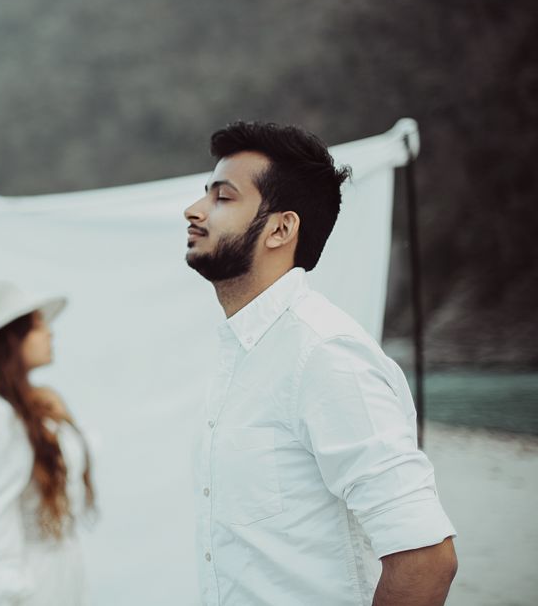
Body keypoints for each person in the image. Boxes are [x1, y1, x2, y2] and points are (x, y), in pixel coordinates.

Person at [183, 122, 457, 605]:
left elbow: (425, 557)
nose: (195, 210)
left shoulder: (324, 354)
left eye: (223, 198)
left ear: (281, 229)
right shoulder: (241, 354)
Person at [0, 281, 96, 606]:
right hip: (30, 585)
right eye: (37, 325)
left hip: (61, 576)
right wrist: (6, 593)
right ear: (10, 341)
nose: (50, 333)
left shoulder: (35, 408)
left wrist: (65, 417)